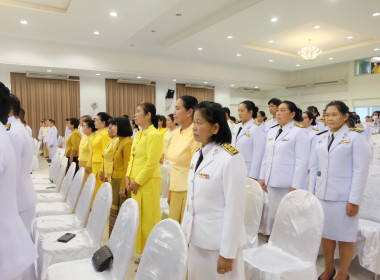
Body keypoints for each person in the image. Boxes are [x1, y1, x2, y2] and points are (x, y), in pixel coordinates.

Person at [182, 101, 246, 280]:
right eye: (193, 122)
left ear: (215, 127)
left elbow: (235, 209)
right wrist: (184, 233)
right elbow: (191, 200)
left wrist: (228, 252)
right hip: (196, 238)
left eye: (199, 123)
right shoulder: (198, 155)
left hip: (218, 244)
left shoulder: (230, 158)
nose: (194, 127)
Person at [309, 101, 370, 280]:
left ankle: (343, 273)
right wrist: (311, 196)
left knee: (345, 237)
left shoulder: (356, 138)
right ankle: (329, 269)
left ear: (345, 116)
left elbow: (361, 170)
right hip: (322, 195)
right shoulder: (320, 137)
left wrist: (354, 200)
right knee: (326, 235)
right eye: (327, 115)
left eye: (334, 114)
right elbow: (314, 168)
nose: (329, 118)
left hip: (344, 197)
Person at [0, 83, 38, 280]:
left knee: (19, 259)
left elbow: (9, 173)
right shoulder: (14, 130)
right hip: (19, 195)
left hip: (18, 197)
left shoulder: (13, 132)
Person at [260, 101, 310, 232]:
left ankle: (287, 246)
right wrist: (262, 177)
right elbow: (266, 156)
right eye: (278, 110)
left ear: (292, 114)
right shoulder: (272, 131)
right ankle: (276, 244)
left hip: (288, 184)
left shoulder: (299, 132)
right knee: (275, 216)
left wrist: (296, 186)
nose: (278, 113)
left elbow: (302, 161)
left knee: (288, 218)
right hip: (271, 182)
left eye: (282, 110)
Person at [125, 102, 162, 257]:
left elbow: (151, 163)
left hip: (147, 182)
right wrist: (128, 176)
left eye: (139, 111)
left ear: (148, 115)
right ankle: (141, 252)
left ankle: (152, 254)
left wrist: (137, 181)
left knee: (149, 219)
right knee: (138, 218)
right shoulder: (139, 134)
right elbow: (132, 158)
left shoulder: (155, 135)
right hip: (135, 182)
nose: (135, 115)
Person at [166, 96, 201, 223]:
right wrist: (170, 190)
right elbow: (174, 166)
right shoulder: (177, 132)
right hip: (175, 188)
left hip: (188, 191)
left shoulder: (195, 133)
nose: (174, 112)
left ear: (189, 112)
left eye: (177, 108)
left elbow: (197, 167)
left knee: (184, 232)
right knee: (173, 230)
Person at [108, 117, 133, 235]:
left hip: (121, 181)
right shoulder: (119, 140)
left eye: (115, 126)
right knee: (114, 209)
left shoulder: (127, 142)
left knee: (121, 210)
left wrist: (123, 186)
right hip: (115, 179)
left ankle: (121, 236)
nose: (112, 128)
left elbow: (127, 166)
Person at [231, 100, 266, 180]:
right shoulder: (236, 126)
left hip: (248, 170)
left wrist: (253, 175)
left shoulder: (257, 128)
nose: (239, 113)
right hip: (235, 167)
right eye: (238, 111)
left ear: (250, 112)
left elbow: (258, 154)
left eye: (242, 111)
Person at [86, 112, 112, 203]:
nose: (94, 122)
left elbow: (106, 154)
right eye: (94, 120)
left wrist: (103, 170)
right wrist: (89, 164)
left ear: (103, 123)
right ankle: (94, 207)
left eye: (97, 120)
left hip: (100, 166)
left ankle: (98, 209)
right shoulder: (98, 133)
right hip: (94, 165)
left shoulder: (105, 134)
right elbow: (92, 151)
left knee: (99, 189)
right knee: (95, 188)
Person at [78, 119, 97, 184]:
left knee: (87, 183)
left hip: (87, 163)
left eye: (84, 126)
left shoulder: (93, 138)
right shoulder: (85, 136)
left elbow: (92, 153)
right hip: (82, 162)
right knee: (82, 182)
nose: (82, 128)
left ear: (90, 128)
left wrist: (88, 165)